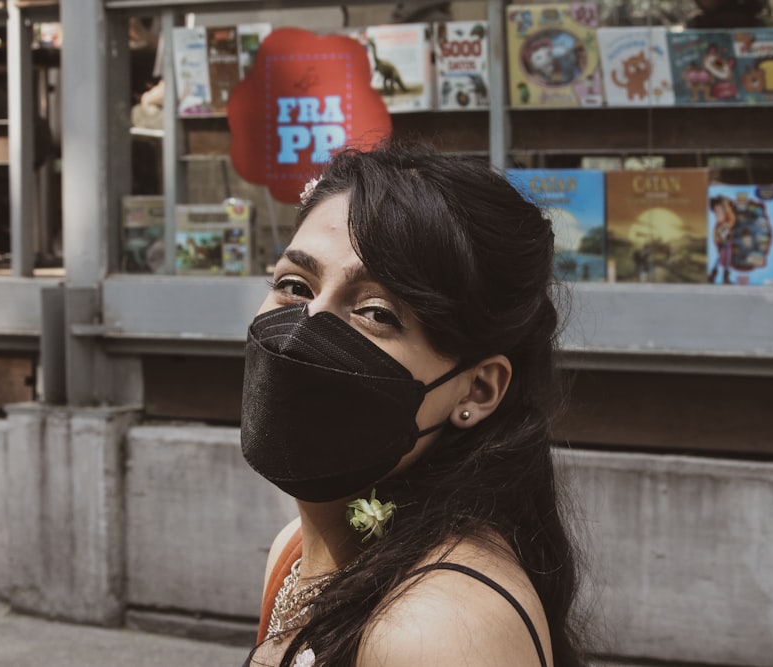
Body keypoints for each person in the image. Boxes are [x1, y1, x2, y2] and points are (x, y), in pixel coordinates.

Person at [240, 143, 590, 667]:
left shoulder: (435, 629)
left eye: (376, 313)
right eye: (294, 285)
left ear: (477, 389)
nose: (305, 327)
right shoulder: (293, 552)